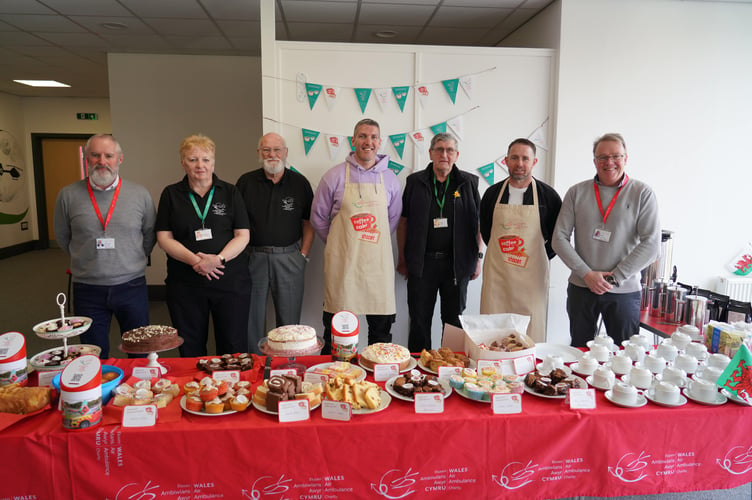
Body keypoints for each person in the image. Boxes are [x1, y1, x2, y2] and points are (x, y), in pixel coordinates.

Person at [552, 133, 660, 346]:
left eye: (615, 156)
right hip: (581, 288)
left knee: (625, 355)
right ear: (594, 161)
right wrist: (587, 275)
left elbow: (652, 245)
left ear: (625, 159)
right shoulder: (576, 192)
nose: (609, 162)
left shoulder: (642, 193)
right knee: (579, 352)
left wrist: (614, 278)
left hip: (624, 291)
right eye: (602, 157)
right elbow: (559, 238)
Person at [53, 133, 156, 358]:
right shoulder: (68, 195)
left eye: (108, 155)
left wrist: (131, 259)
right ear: (86, 159)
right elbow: (62, 236)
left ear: (120, 159)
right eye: (95, 155)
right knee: (92, 354)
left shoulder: (140, 194)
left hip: (131, 285)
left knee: (139, 350)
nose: (102, 161)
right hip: (87, 288)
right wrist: (86, 259)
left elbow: (149, 234)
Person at [310, 118, 402, 353]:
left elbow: (391, 220)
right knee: (337, 335)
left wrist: (367, 239)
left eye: (373, 137)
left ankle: (376, 381)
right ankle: (335, 380)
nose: (367, 142)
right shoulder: (334, 176)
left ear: (379, 142)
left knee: (381, 336)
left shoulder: (390, 179)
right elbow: (318, 218)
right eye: (362, 136)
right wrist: (339, 244)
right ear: (353, 141)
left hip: (377, 268)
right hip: (344, 266)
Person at [156, 134, 251, 357]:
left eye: (206, 159)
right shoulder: (171, 194)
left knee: (233, 344)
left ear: (214, 162)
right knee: (190, 345)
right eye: (192, 159)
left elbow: (243, 235)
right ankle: (195, 389)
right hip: (186, 283)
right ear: (182, 163)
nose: (200, 165)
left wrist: (217, 260)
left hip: (230, 282)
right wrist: (197, 262)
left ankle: (233, 388)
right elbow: (164, 238)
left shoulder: (231, 192)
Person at [397, 133, 481, 353]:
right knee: (419, 320)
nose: (444, 154)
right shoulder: (415, 181)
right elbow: (403, 222)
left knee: (453, 323)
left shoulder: (469, 183)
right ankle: (417, 371)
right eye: (439, 149)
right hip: (422, 264)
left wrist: (478, 259)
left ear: (456, 155)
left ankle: (450, 369)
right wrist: (403, 258)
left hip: (457, 265)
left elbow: (478, 224)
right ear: (431, 153)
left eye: (449, 150)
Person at [236, 132, 314, 355]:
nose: (272, 154)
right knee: (251, 317)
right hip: (253, 258)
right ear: (259, 153)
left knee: (289, 322)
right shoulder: (245, 182)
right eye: (266, 150)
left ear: (286, 153)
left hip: (290, 257)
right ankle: (254, 365)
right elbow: (236, 224)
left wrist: (303, 254)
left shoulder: (299, 183)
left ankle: (286, 366)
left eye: (277, 149)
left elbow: (309, 222)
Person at [479, 138, 562, 342]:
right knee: (493, 331)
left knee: (531, 332)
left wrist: (534, 257)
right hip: (498, 278)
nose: (520, 163)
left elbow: (556, 239)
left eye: (525, 158)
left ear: (534, 162)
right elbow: (488, 232)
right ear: (506, 161)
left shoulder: (548, 197)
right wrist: (506, 255)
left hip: (531, 278)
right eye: (514, 158)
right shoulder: (491, 194)